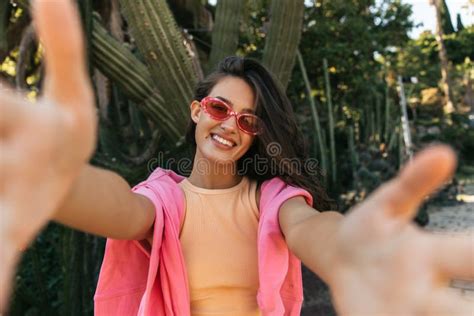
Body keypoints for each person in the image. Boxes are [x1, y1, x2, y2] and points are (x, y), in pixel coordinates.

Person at [0, 1, 472, 315]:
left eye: (248, 120)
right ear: (196, 110)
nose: (230, 125)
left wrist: (345, 246)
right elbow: (122, 210)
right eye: (220, 108)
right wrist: (63, 183)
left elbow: (310, 228)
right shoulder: (166, 198)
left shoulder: (272, 200)